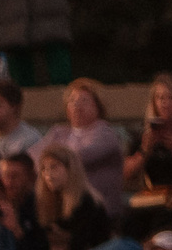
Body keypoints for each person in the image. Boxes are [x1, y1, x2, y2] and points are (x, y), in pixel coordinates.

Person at [43, 77, 128, 220]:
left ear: (98, 106)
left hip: (98, 211)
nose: (77, 105)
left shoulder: (105, 134)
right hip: (61, 207)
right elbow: (37, 157)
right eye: (72, 100)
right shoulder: (58, 132)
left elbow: (77, 158)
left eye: (84, 100)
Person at [125, 72, 172, 229]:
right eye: (160, 98)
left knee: (166, 223)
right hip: (152, 197)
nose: (165, 103)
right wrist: (145, 150)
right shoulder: (144, 134)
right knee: (127, 223)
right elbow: (126, 174)